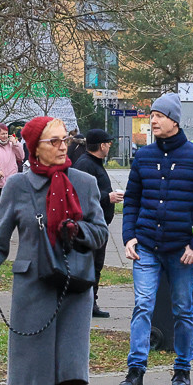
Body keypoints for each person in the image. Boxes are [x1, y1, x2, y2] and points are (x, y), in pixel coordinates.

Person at [0, 116, 109, 385]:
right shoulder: (17, 186)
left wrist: (78, 231)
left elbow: (101, 232)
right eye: (54, 141)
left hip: (75, 286)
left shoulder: (85, 182)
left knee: (73, 367)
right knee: (37, 371)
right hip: (32, 286)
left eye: (65, 140)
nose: (63, 147)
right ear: (35, 148)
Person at [119, 93, 193, 385]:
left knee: (183, 309)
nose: (153, 121)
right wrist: (129, 236)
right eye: (151, 115)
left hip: (181, 250)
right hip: (147, 245)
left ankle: (182, 368)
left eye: (159, 116)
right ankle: (135, 371)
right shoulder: (144, 156)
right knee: (142, 305)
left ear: (174, 121)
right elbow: (132, 200)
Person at [73, 128, 122, 319]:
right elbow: (80, 193)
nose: (109, 146)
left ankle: (90, 302)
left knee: (95, 265)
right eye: (108, 143)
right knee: (90, 265)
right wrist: (107, 197)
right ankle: (86, 304)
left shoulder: (93, 163)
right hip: (89, 226)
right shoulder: (85, 164)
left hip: (97, 225)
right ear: (101, 145)